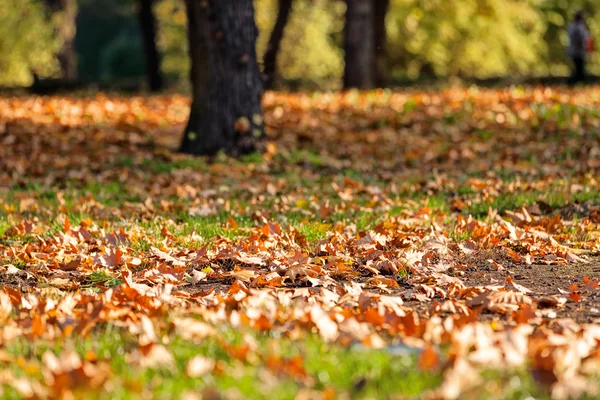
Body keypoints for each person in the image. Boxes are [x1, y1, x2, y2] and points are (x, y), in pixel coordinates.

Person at [567, 10, 590, 85]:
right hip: (578, 50)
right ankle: (576, 81)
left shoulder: (572, 26)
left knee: (579, 67)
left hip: (576, 50)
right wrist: (585, 46)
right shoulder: (578, 26)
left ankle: (577, 81)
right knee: (579, 67)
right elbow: (581, 39)